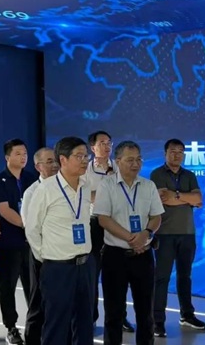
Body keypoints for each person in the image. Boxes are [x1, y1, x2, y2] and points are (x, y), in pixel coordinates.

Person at [25, 136, 95, 345]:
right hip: (58, 268)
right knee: (57, 325)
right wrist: (47, 257)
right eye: (79, 156)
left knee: (85, 324)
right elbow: (32, 229)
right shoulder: (45, 189)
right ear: (63, 159)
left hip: (85, 266)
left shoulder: (85, 186)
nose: (85, 160)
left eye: (86, 156)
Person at [94, 141, 164, 345]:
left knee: (145, 312)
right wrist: (132, 238)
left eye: (139, 159)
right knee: (113, 313)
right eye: (130, 160)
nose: (136, 164)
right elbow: (103, 219)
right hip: (115, 256)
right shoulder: (107, 185)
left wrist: (146, 233)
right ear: (118, 161)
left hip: (144, 255)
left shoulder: (148, 185)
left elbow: (156, 216)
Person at [150, 138, 205, 338]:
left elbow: (198, 199)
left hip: (187, 233)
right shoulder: (156, 174)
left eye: (181, 152)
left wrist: (175, 196)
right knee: (162, 278)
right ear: (165, 153)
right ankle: (157, 321)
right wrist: (186, 197)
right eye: (173, 151)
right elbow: (162, 199)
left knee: (185, 277)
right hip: (164, 233)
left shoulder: (189, 175)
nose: (177, 155)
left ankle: (187, 315)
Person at [83, 130, 134, 332]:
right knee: (92, 274)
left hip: (117, 223)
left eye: (109, 143)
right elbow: (83, 195)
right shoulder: (85, 170)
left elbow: (128, 191)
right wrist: (107, 192)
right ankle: (91, 317)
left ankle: (120, 317)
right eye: (102, 143)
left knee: (118, 276)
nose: (107, 146)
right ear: (92, 147)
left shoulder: (119, 167)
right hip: (94, 224)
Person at [0, 138, 37, 345]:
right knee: (8, 287)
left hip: (31, 243)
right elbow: (4, 210)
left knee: (33, 285)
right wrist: (28, 226)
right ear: (7, 157)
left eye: (25, 153)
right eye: (18, 153)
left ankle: (34, 324)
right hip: (10, 242)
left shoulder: (31, 178)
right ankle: (11, 327)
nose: (23, 157)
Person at [20, 147, 59, 345]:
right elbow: (30, 228)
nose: (54, 165)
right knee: (38, 302)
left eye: (56, 161)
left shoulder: (65, 188)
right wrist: (43, 256)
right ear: (38, 167)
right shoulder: (32, 192)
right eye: (49, 161)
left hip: (62, 256)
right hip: (41, 255)